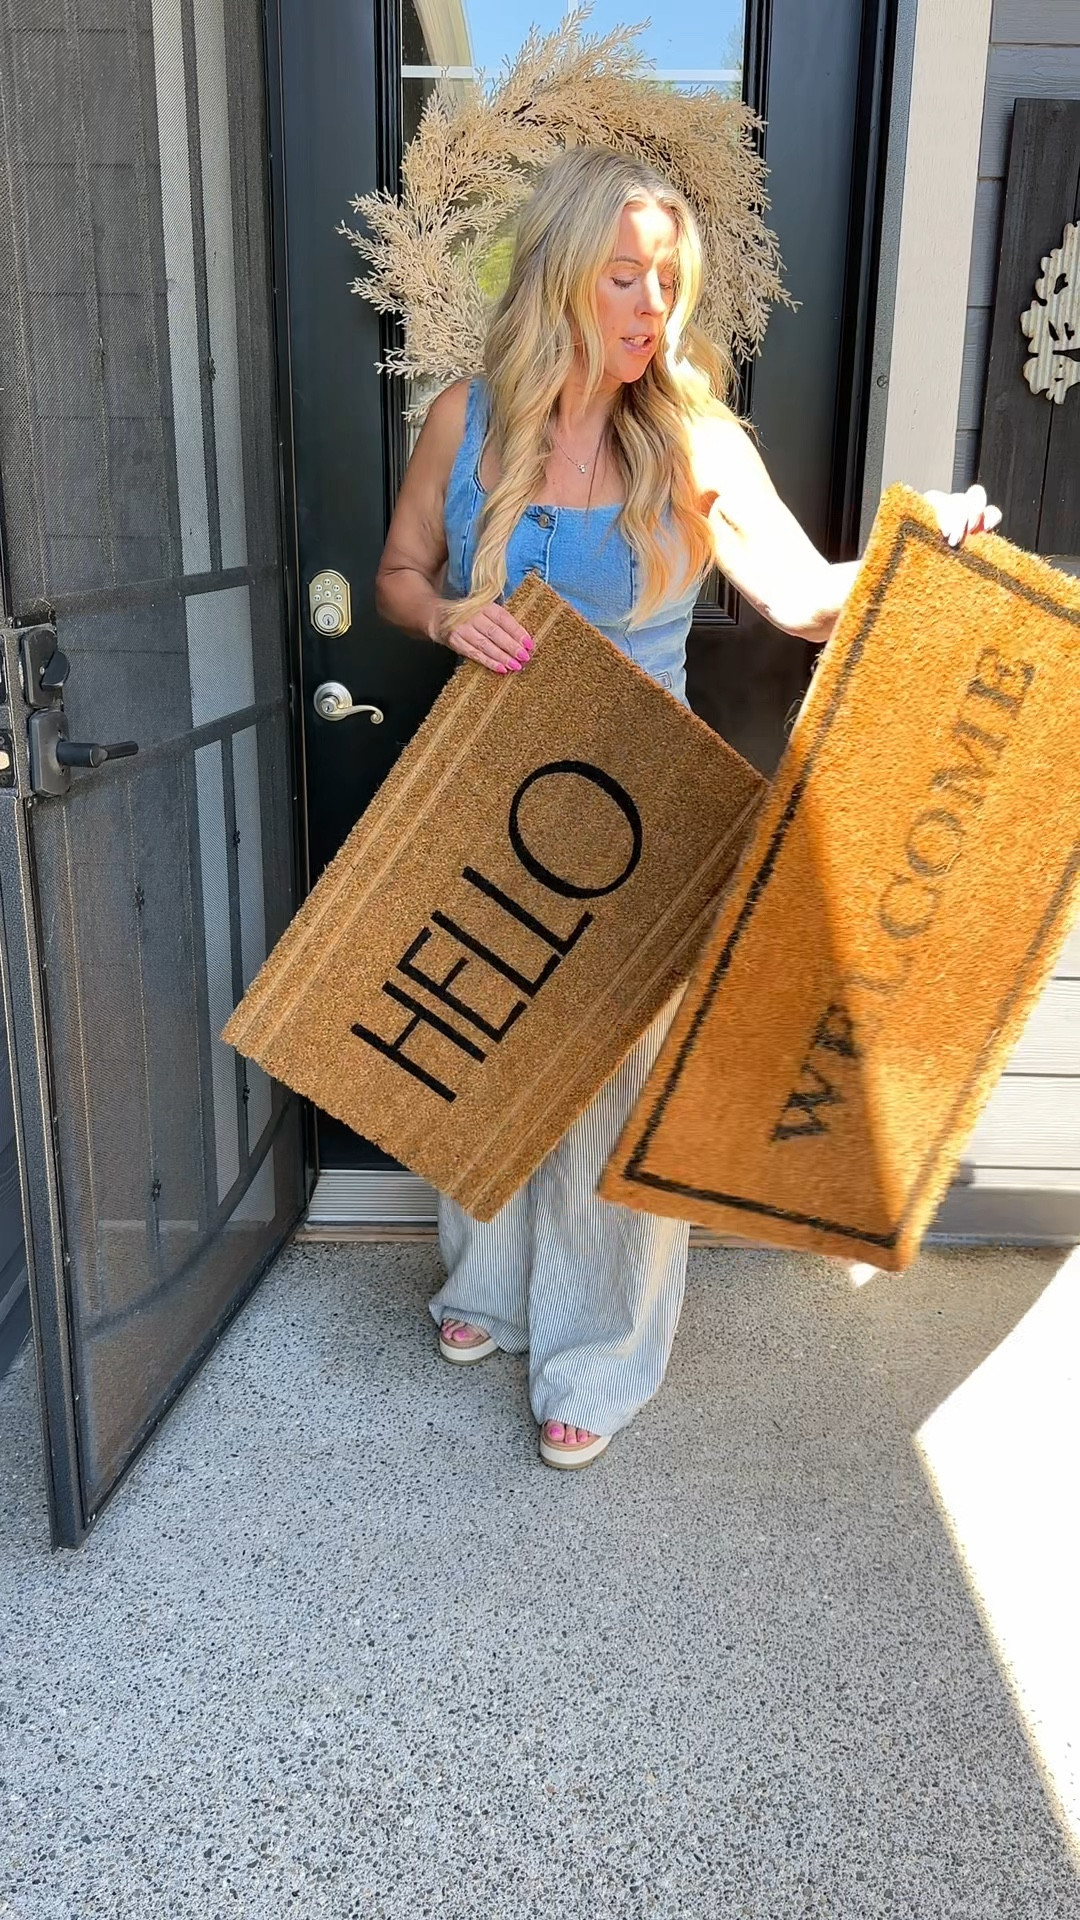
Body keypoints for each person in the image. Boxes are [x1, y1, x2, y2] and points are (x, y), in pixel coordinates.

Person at [374, 146, 1000, 1471]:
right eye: (623, 276)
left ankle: (595, 1355)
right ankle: (484, 1286)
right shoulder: (463, 420)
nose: (650, 303)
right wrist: (444, 614)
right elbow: (397, 572)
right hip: (488, 784)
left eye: (667, 278)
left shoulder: (694, 432)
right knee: (478, 1035)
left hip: (639, 813)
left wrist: (918, 538)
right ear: (561, 276)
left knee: (613, 1082)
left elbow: (803, 593)